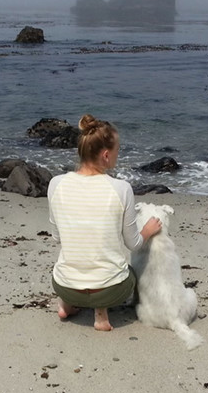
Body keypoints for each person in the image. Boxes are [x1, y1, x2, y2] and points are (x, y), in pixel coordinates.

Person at [48, 114, 162, 331]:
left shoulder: (56, 184)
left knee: (71, 263)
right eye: (118, 151)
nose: (118, 156)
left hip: (64, 285)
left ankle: (66, 304)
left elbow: (57, 237)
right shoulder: (121, 189)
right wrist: (147, 231)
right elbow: (134, 244)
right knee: (130, 275)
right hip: (110, 290)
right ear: (106, 155)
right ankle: (101, 315)